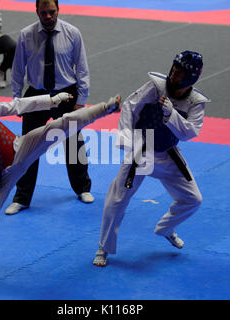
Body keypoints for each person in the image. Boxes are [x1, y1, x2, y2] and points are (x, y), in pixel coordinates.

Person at [0, 75, 121, 284]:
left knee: (59, 125)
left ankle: (106, 108)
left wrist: (52, 100)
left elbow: (19, 105)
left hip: (22, 147)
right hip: (1, 177)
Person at [92, 51, 211, 267]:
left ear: (191, 77)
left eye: (179, 73)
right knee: (117, 198)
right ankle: (104, 247)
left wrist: (171, 114)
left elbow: (189, 133)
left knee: (193, 199)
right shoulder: (157, 85)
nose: (174, 76)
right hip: (141, 151)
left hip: (168, 154)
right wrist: (126, 139)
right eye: (174, 70)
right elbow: (130, 106)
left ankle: (165, 228)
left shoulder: (196, 102)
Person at [6, 0, 92, 215]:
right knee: (28, 147)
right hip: (36, 95)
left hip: (67, 94)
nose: (48, 16)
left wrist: (81, 99)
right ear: (37, 12)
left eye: (51, 12)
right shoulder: (26, 35)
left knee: (74, 143)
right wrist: (17, 102)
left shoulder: (72, 33)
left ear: (58, 10)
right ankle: (22, 197)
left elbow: (82, 68)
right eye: (43, 13)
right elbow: (17, 71)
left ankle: (82, 188)